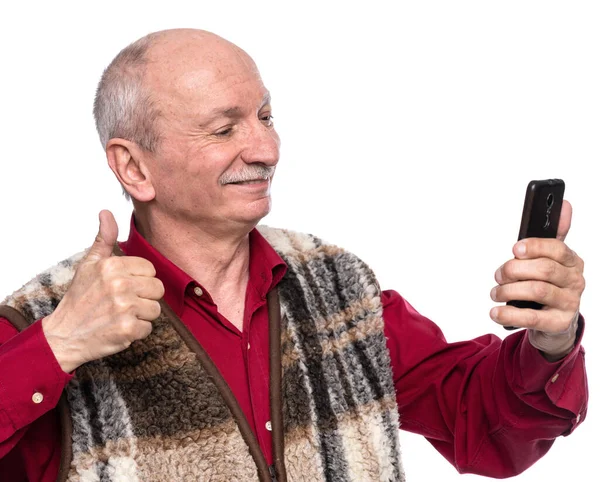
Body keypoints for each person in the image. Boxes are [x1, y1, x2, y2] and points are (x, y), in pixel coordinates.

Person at [0, 29, 587, 482]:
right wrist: (60, 344)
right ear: (134, 167)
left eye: (264, 116)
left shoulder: (339, 288)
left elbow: (480, 423)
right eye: (223, 129)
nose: (266, 148)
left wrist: (550, 342)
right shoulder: (43, 321)